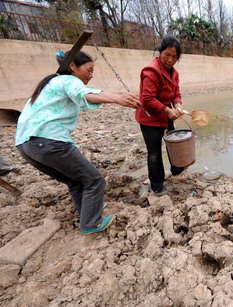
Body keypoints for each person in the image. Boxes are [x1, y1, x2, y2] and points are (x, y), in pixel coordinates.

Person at [15, 50, 140, 234]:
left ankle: (88, 210)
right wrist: (119, 98)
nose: (91, 75)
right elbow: (84, 93)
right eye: (88, 70)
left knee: (75, 181)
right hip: (49, 142)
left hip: (25, 146)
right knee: (95, 180)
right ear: (73, 66)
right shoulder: (69, 80)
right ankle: (90, 223)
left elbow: (83, 98)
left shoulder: (51, 83)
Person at [136, 35, 186, 195]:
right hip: (150, 118)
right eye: (167, 55)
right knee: (154, 152)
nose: (170, 60)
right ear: (160, 52)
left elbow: (176, 93)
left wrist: (177, 105)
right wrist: (167, 110)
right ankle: (157, 185)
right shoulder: (151, 71)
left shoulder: (174, 73)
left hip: (166, 116)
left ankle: (177, 169)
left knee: (173, 143)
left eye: (174, 57)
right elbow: (147, 98)